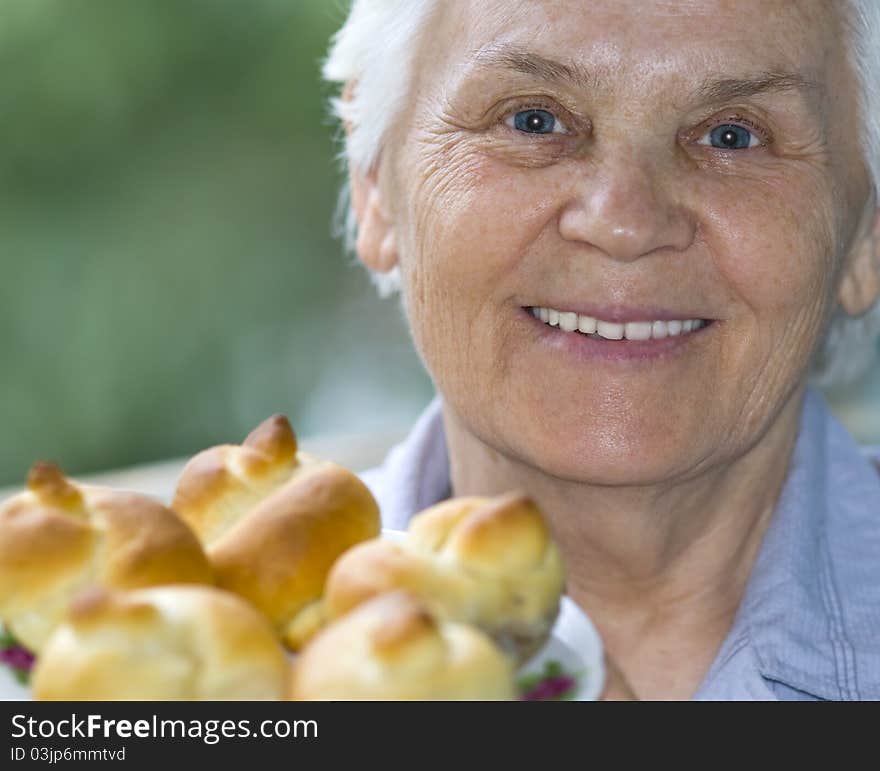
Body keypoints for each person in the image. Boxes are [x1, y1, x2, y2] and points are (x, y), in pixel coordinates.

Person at [321, 0, 880, 700]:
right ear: (373, 183)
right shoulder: (185, 651)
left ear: (866, 234)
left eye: (733, 136)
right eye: (534, 120)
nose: (624, 221)